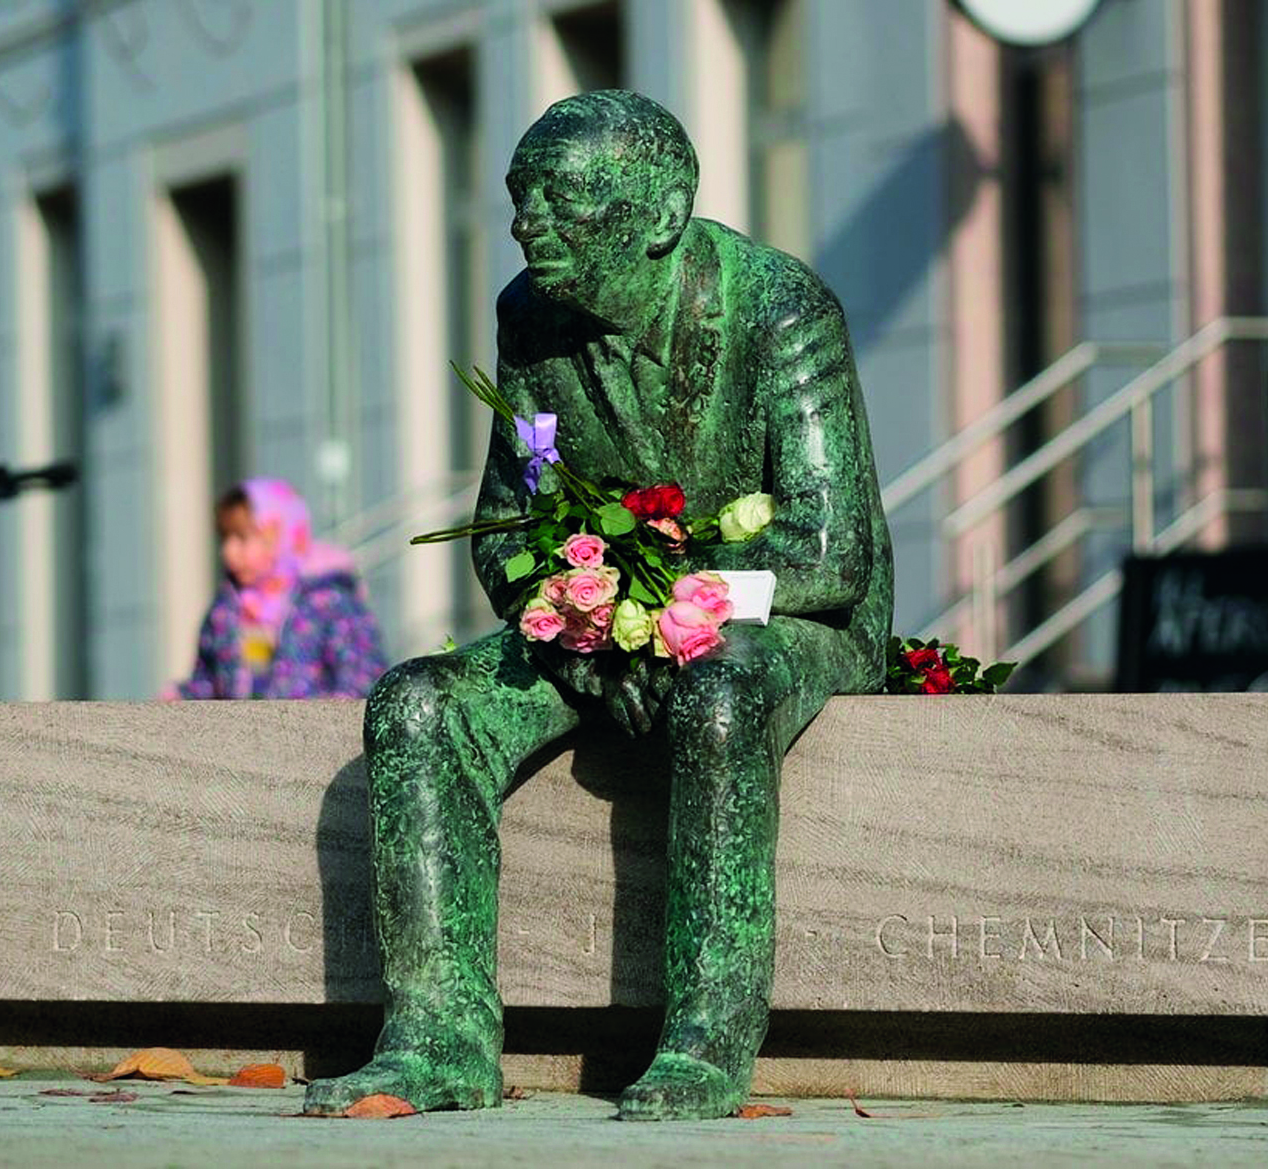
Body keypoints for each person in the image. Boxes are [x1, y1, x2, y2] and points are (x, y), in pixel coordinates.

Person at [304, 91, 893, 1121]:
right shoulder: (529, 318)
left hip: (791, 621)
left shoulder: (779, 307)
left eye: (562, 200)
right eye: (519, 198)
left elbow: (829, 548)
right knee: (416, 706)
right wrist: (569, 618)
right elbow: (512, 516)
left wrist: (674, 610)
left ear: (662, 212)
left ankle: (706, 1040)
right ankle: (439, 1040)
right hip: (602, 625)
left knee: (719, 695)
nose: (529, 223)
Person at [172, 477, 386, 700]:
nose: (228, 551)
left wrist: (328, 719)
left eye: (242, 538)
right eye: (225, 538)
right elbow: (208, 680)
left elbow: (363, 676)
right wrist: (180, 698)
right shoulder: (225, 611)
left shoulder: (329, 603)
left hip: (314, 731)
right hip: (241, 733)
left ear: (280, 537)